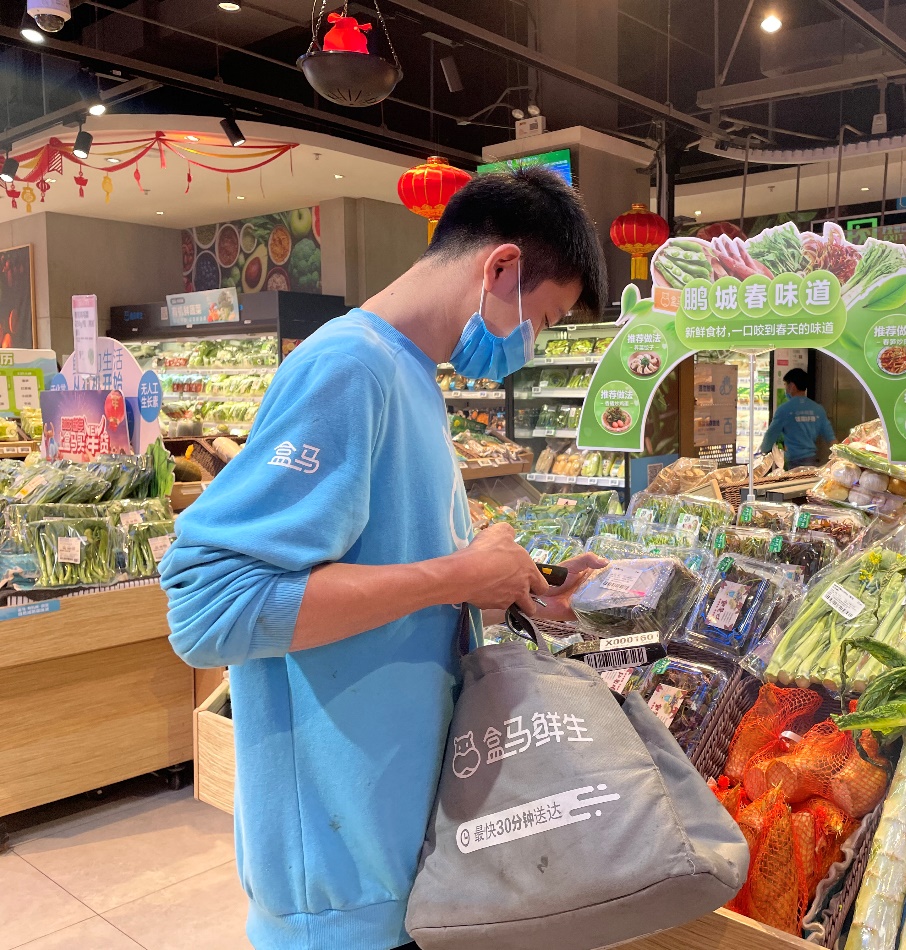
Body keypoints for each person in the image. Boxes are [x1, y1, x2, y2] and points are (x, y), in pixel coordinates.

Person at [160, 167, 607, 950]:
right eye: (541, 319)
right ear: (500, 268)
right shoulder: (348, 368)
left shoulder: (411, 378)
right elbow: (210, 609)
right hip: (339, 887)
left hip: (396, 851)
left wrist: (515, 584)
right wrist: (457, 575)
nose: (531, 345)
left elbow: (386, 569)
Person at [760, 367, 835, 468]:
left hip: (793, 462)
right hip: (811, 461)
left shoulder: (784, 409)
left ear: (792, 386)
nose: (786, 389)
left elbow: (771, 434)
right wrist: (839, 457)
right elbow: (830, 437)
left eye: (786, 385)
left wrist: (763, 451)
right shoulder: (818, 409)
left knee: (795, 479)